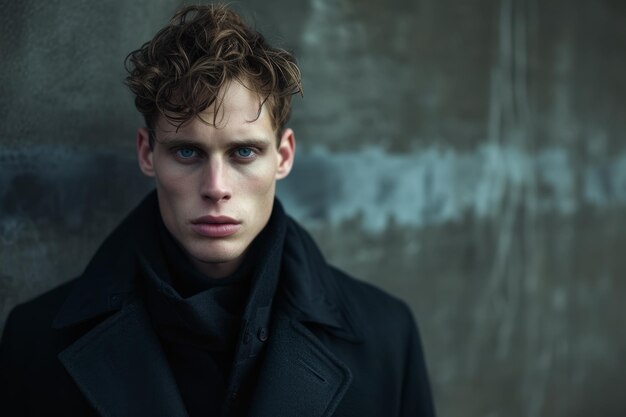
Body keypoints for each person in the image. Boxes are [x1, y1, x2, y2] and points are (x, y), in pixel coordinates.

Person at [0, 4, 435, 417]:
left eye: (244, 152)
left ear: (282, 157)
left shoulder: (387, 338)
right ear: (147, 153)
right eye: (187, 152)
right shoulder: (34, 341)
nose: (216, 188)